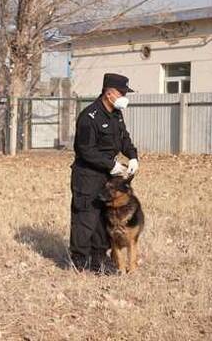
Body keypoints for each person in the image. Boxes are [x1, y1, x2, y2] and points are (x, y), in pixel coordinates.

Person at [70, 73, 139, 274]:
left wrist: (133, 156)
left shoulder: (116, 114)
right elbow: (85, 150)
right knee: (85, 218)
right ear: (109, 93)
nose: (125, 96)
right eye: (122, 92)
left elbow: (124, 138)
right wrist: (111, 164)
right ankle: (79, 260)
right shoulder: (88, 117)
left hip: (108, 177)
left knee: (103, 217)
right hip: (87, 176)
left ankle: (99, 258)